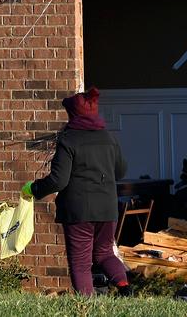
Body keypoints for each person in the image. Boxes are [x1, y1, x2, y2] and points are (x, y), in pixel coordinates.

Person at [23, 87, 130, 296]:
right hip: (108, 209)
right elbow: (121, 171)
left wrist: (34, 188)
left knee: (81, 263)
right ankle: (125, 289)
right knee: (105, 253)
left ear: (73, 114)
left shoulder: (69, 139)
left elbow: (58, 180)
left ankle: (85, 306)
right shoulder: (109, 138)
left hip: (78, 211)